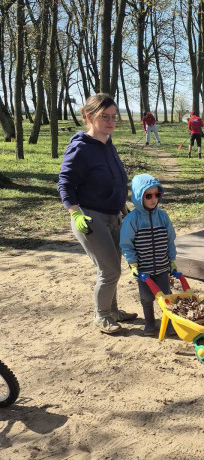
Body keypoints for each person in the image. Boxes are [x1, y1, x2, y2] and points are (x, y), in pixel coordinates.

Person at [57, 93, 138, 335]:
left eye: (114, 116)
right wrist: (75, 213)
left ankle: (112, 310)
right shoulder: (80, 148)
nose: (111, 121)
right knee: (110, 269)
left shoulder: (108, 143)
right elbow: (65, 184)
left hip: (115, 215)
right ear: (89, 116)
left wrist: (124, 209)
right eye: (104, 116)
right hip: (91, 218)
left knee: (114, 267)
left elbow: (115, 181)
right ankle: (101, 315)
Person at [120, 174, 177, 336]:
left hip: (162, 266)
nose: (154, 199)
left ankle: (169, 323)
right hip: (143, 270)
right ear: (139, 197)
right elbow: (126, 244)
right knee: (146, 298)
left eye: (157, 195)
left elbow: (170, 240)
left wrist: (172, 260)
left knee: (166, 297)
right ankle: (150, 324)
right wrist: (133, 264)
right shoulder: (131, 220)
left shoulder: (163, 217)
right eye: (148, 196)